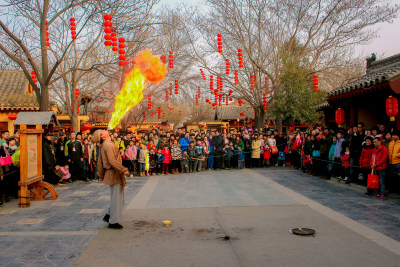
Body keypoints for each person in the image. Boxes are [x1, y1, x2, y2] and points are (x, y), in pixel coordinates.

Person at [92, 130, 130, 229]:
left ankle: (109, 215)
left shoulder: (105, 144)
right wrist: (123, 170)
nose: (105, 131)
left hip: (113, 173)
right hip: (114, 173)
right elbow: (112, 161)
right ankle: (113, 222)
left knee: (118, 199)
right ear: (103, 137)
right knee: (117, 199)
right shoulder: (108, 145)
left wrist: (100, 174)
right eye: (103, 132)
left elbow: (100, 161)